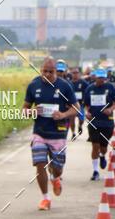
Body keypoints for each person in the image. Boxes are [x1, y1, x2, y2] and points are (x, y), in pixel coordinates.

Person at [23, 57, 79, 210]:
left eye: (51, 72)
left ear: (56, 71)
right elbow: (24, 110)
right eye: (45, 71)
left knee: (57, 167)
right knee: (40, 164)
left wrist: (63, 115)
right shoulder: (34, 85)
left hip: (58, 134)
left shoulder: (65, 86)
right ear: (41, 70)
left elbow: (76, 108)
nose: (47, 74)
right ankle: (45, 199)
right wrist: (31, 111)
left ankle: (56, 177)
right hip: (39, 133)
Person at [84, 67, 115, 180]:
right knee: (95, 146)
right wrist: (86, 112)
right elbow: (86, 105)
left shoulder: (110, 87)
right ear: (95, 77)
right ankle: (95, 171)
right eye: (99, 78)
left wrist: (111, 109)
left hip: (107, 122)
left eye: (103, 78)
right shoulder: (89, 89)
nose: (101, 80)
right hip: (94, 121)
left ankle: (102, 156)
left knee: (103, 147)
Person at [69, 66, 89, 136]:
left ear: (79, 73)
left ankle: (80, 126)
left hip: (81, 105)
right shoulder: (69, 83)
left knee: (81, 119)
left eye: (76, 73)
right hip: (72, 105)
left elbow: (89, 90)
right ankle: (73, 133)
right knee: (72, 120)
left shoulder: (83, 82)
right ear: (71, 74)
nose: (75, 74)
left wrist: (86, 99)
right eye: (73, 73)